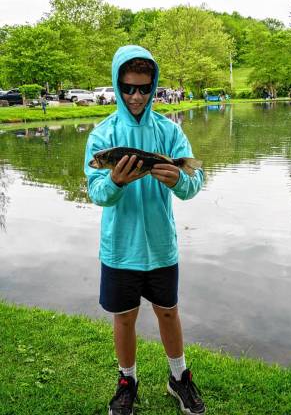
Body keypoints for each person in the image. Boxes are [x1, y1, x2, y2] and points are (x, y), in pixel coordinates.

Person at [84, 45, 205, 415]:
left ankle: (178, 376)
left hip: (161, 247)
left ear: (153, 88)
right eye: (128, 88)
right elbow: (96, 192)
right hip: (120, 248)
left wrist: (177, 181)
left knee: (168, 311)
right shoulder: (102, 136)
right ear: (117, 84)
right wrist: (115, 183)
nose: (135, 97)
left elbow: (194, 181)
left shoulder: (170, 131)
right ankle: (127, 380)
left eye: (143, 88)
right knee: (124, 317)